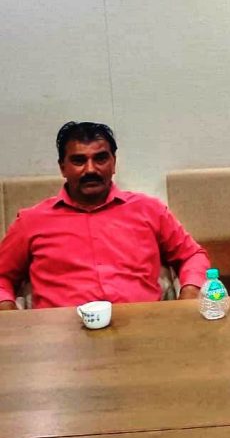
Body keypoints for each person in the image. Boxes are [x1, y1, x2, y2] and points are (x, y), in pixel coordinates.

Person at [0, 122, 210, 310]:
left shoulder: (149, 210)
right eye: (79, 161)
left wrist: (188, 296)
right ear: (63, 168)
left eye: (100, 158)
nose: (90, 169)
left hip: (142, 326)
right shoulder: (32, 221)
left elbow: (192, 255)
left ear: (113, 162)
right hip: (60, 333)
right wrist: (10, 317)